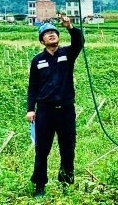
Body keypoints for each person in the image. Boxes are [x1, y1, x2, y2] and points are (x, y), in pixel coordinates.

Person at [26, 14, 83, 197]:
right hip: (45, 111)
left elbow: (79, 42)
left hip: (66, 110)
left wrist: (70, 27)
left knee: (68, 147)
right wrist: (30, 109)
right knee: (42, 149)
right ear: (42, 40)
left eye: (54, 32)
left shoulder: (67, 54)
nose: (51, 35)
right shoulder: (37, 61)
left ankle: (66, 183)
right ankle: (40, 185)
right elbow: (32, 88)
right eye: (47, 33)